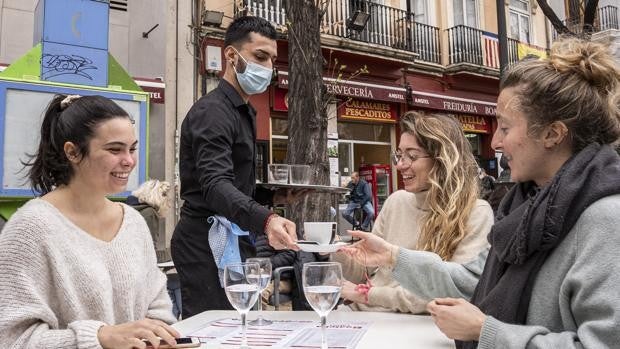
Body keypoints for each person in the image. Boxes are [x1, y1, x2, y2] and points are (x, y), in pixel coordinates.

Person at [341, 37, 620, 348]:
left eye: (504, 127)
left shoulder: (605, 219)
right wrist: (393, 256)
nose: (495, 144)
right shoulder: (526, 208)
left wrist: (485, 331)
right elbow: (468, 281)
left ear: (552, 134)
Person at [0, 95, 179, 348]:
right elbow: (11, 339)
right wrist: (98, 337)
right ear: (72, 152)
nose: (128, 160)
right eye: (115, 149)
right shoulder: (29, 230)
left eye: (132, 148)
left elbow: (159, 310)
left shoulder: (133, 223)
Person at [171, 16, 300, 318]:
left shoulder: (244, 111)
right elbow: (215, 186)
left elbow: (235, 184)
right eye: (260, 56)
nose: (268, 67)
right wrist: (267, 221)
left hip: (236, 237)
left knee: (241, 324)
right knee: (213, 331)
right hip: (204, 242)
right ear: (231, 55)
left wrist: (274, 198)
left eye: (272, 59)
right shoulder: (212, 113)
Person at [335, 112, 493, 313]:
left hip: (412, 327)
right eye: (400, 155)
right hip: (361, 316)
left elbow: (454, 292)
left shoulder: (475, 213)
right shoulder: (396, 201)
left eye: (412, 156)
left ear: (443, 160)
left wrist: (369, 295)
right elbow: (363, 269)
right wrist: (330, 252)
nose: (400, 165)